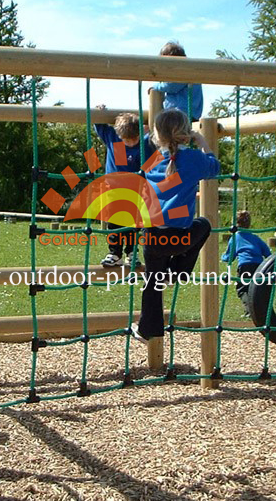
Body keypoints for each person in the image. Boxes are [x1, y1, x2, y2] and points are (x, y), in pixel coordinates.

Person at [130, 109, 220, 344]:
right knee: (203, 224)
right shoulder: (193, 158)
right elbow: (214, 167)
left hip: (151, 237)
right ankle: (178, 271)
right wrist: (202, 141)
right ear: (185, 133)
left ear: (158, 135)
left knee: (152, 283)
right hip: (180, 237)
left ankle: (146, 329)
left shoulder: (152, 162)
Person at [93, 109, 154, 267]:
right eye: (127, 140)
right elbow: (98, 124)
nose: (131, 143)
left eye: (134, 139)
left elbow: (158, 138)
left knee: (133, 224)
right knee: (114, 223)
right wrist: (99, 111)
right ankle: (115, 253)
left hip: (136, 192)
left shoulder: (146, 143)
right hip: (113, 191)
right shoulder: (113, 138)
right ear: (119, 134)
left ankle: (131, 252)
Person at [220, 210, 271, 317]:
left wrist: (223, 257)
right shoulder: (255, 238)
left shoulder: (235, 238)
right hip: (260, 266)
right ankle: (262, 311)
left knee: (243, 289)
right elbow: (267, 253)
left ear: (235, 224)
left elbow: (229, 256)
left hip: (245, 265)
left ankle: (250, 311)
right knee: (257, 289)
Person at [147, 41, 204, 121]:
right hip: (191, 113)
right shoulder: (191, 71)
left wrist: (155, 87)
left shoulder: (183, 72)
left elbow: (171, 86)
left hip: (180, 113)